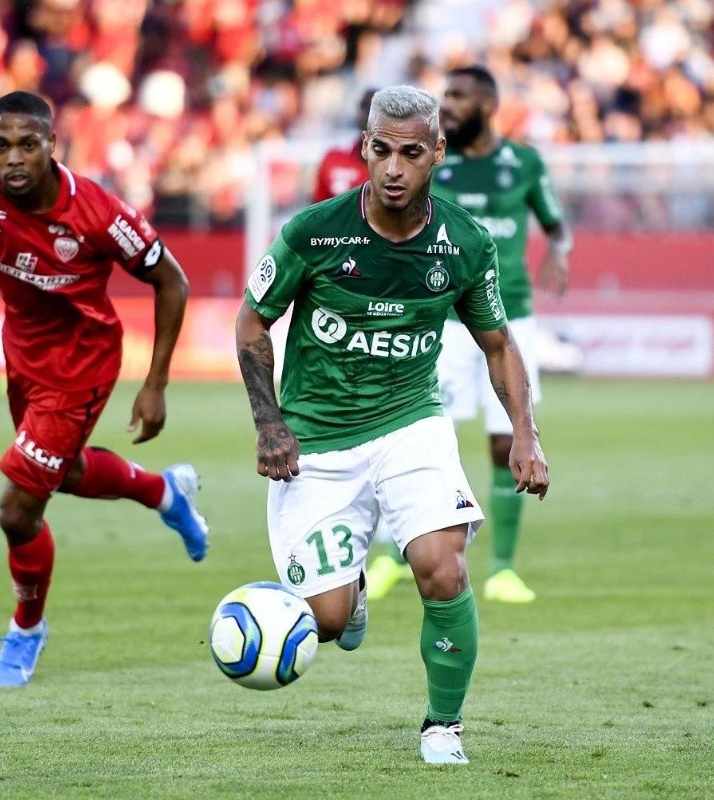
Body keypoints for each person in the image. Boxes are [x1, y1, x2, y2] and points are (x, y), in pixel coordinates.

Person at [235, 85, 549, 765]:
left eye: (412, 152)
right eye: (382, 150)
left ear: (437, 152)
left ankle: (443, 726)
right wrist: (270, 423)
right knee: (327, 621)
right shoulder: (313, 232)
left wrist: (525, 433)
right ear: (366, 149)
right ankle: (346, 597)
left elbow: (499, 344)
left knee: (442, 568)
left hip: (411, 422)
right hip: (315, 442)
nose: (395, 168)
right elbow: (252, 320)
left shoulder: (462, 244)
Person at [0, 91, 209, 689]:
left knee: (17, 508)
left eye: (27, 144)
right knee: (62, 472)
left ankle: (27, 630)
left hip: (80, 364)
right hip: (22, 355)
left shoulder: (99, 215)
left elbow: (173, 282)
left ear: (53, 146)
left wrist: (155, 383)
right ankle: (164, 492)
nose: (13, 159)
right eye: (0, 145)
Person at [367, 65, 572, 604]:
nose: (448, 105)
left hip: (512, 317)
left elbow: (555, 222)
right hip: (445, 320)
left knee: (508, 439)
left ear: (487, 101)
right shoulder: (432, 161)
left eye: (458, 97)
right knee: (421, 437)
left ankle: (502, 569)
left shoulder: (524, 163)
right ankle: (391, 558)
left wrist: (558, 251)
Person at [311, 88, 376, 203]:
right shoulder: (333, 159)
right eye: (364, 107)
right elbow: (315, 211)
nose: (368, 115)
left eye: (373, 109)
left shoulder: (393, 168)